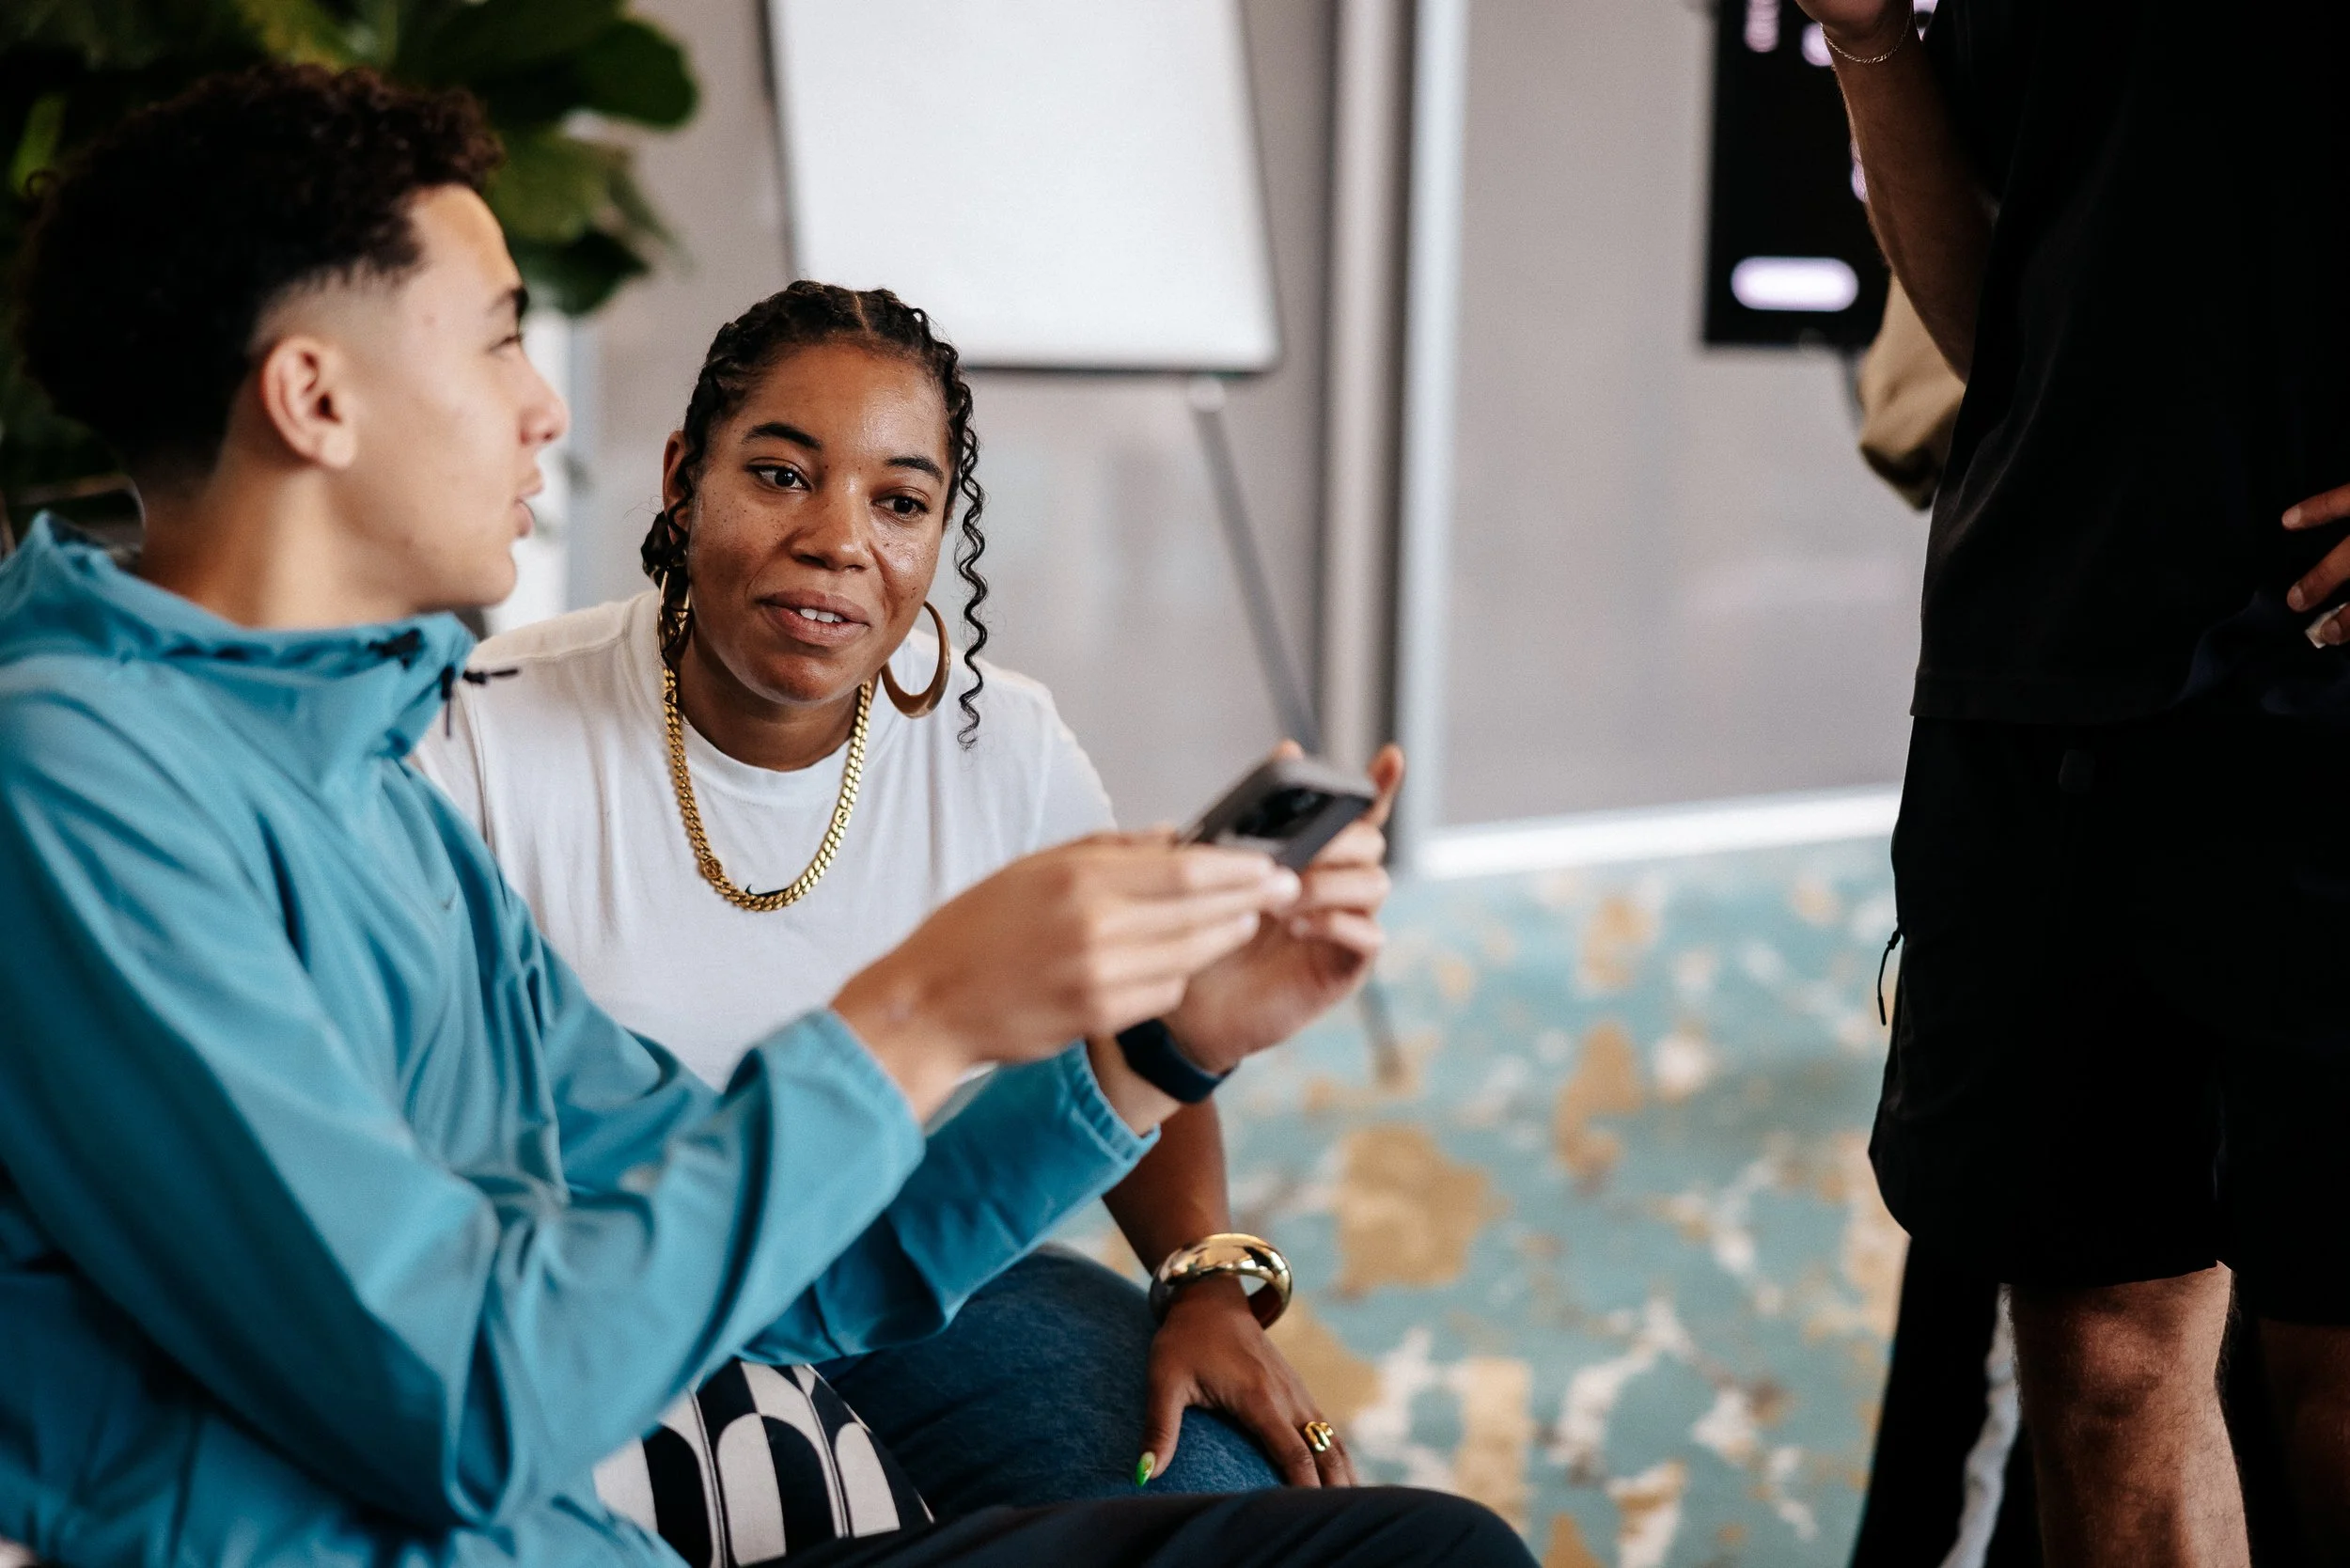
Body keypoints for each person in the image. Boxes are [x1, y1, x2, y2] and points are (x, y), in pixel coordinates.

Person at [0, 64, 1531, 1568]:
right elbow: (468, 1400)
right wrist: (921, 1011)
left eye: (900, 501)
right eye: (499, 345)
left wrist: (1160, 1048)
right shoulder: (79, 782)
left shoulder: (352, 786)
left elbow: (787, 1267)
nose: (543, 410)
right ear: (314, 397)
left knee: (1416, 1550)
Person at [410, 278, 1408, 1513]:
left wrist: (1201, 1285)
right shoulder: (485, 734)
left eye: (899, 500)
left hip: (935, 1267)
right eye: (780, 475)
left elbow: (1138, 1033)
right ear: (681, 479)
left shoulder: (1006, 739)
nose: (838, 539)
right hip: (619, 1274)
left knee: (1227, 1501)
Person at [1795, 0, 2350, 1561]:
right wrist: (1865, 40)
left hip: (2330, 691)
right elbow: (1997, 321)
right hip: (2040, 694)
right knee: (2100, 1371)